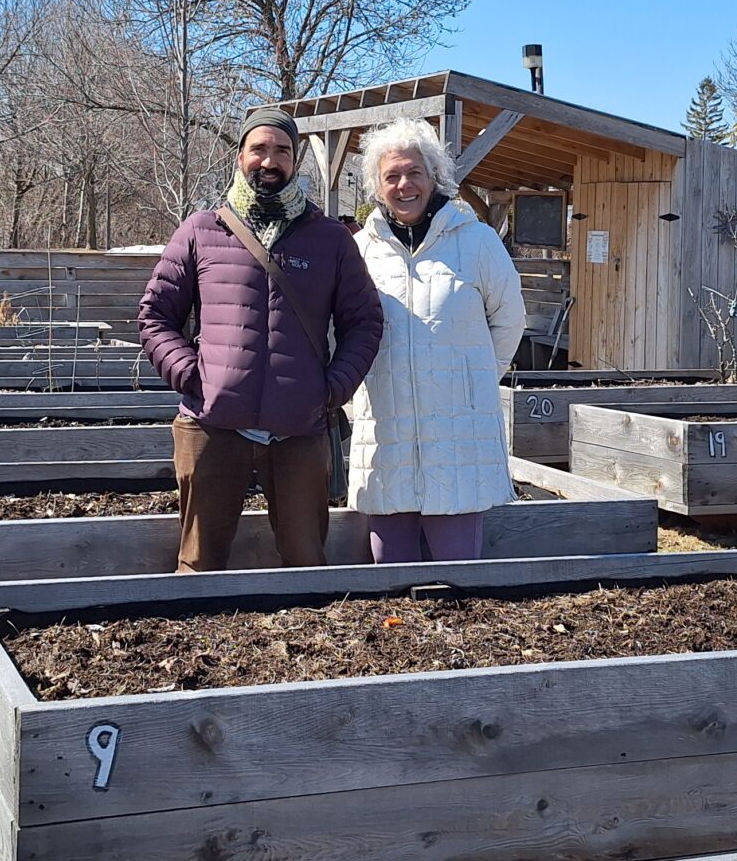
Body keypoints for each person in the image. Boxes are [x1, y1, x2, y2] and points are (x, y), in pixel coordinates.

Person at [138, 107, 384, 572]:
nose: (269, 161)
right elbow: (155, 314)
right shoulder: (201, 230)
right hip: (212, 423)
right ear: (240, 157)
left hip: (299, 427)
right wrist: (191, 376)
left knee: (306, 560)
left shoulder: (330, 238)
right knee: (198, 563)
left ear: (295, 163)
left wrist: (332, 389)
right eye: (259, 149)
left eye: (282, 151)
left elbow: (365, 322)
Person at [347, 117, 526, 563]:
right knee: (391, 571)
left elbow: (509, 321)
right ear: (377, 184)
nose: (404, 185)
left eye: (414, 173)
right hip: (384, 428)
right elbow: (340, 334)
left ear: (434, 177)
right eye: (392, 176)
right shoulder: (359, 250)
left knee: (459, 575)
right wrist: (356, 401)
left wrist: (473, 381)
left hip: (458, 432)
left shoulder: (478, 242)